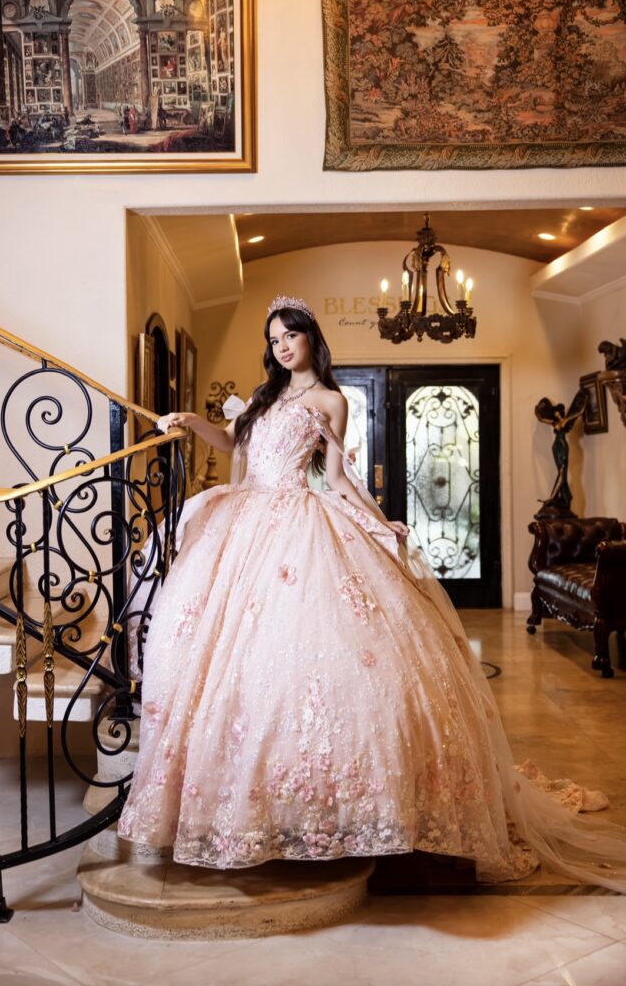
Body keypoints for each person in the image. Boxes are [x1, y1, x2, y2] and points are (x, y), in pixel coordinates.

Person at [118, 296, 626, 889]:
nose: (282, 346)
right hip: (243, 520)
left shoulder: (330, 400)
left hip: (297, 521)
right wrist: (187, 422)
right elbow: (230, 445)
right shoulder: (263, 397)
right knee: (222, 654)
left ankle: (325, 812)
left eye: (291, 336)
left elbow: (336, 479)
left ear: (311, 339)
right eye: (274, 338)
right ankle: (239, 806)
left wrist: (381, 523)